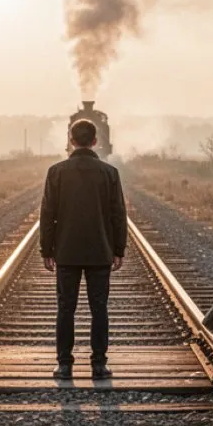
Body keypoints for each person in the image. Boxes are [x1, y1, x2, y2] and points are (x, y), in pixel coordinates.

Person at [39, 118, 128, 380]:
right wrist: (118, 249)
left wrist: (47, 250)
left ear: (71, 140)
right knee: (99, 309)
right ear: (95, 141)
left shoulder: (56, 172)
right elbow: (118, 214)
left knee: (65, 308)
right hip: (100, 251)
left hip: (66, 252)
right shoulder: (110, 173)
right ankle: (99, 365)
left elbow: (47, 214)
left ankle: (64, 365)